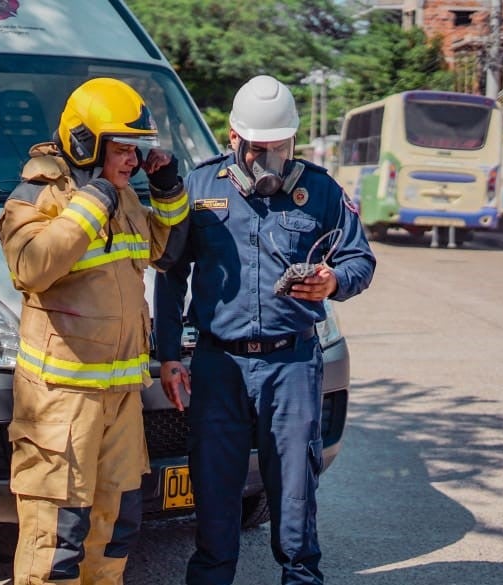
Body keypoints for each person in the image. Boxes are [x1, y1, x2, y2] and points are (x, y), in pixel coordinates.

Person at [153, 74, 376, 585]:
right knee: (214, 486)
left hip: (292, 364)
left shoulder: (319, 190)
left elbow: (360, 258)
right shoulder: (201, 187)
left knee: (295, 485)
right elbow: (170, 274)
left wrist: (333, 280)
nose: (269, 160)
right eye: (258, 149)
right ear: (234, 137)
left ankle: (300, 575)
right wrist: (170, 355)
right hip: (218, 366)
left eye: (280, 148)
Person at [0, 77, 189, 585]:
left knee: (117, 526)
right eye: (121, 149)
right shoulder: (37, 197)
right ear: (85, 143)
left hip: (120, 397)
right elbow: (31, 267)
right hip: (62, 402)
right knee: (56, 538)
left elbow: (159, 253)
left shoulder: (118, 196)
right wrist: (92, 200)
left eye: (135, 150)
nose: (131, 160)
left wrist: (168, 195)